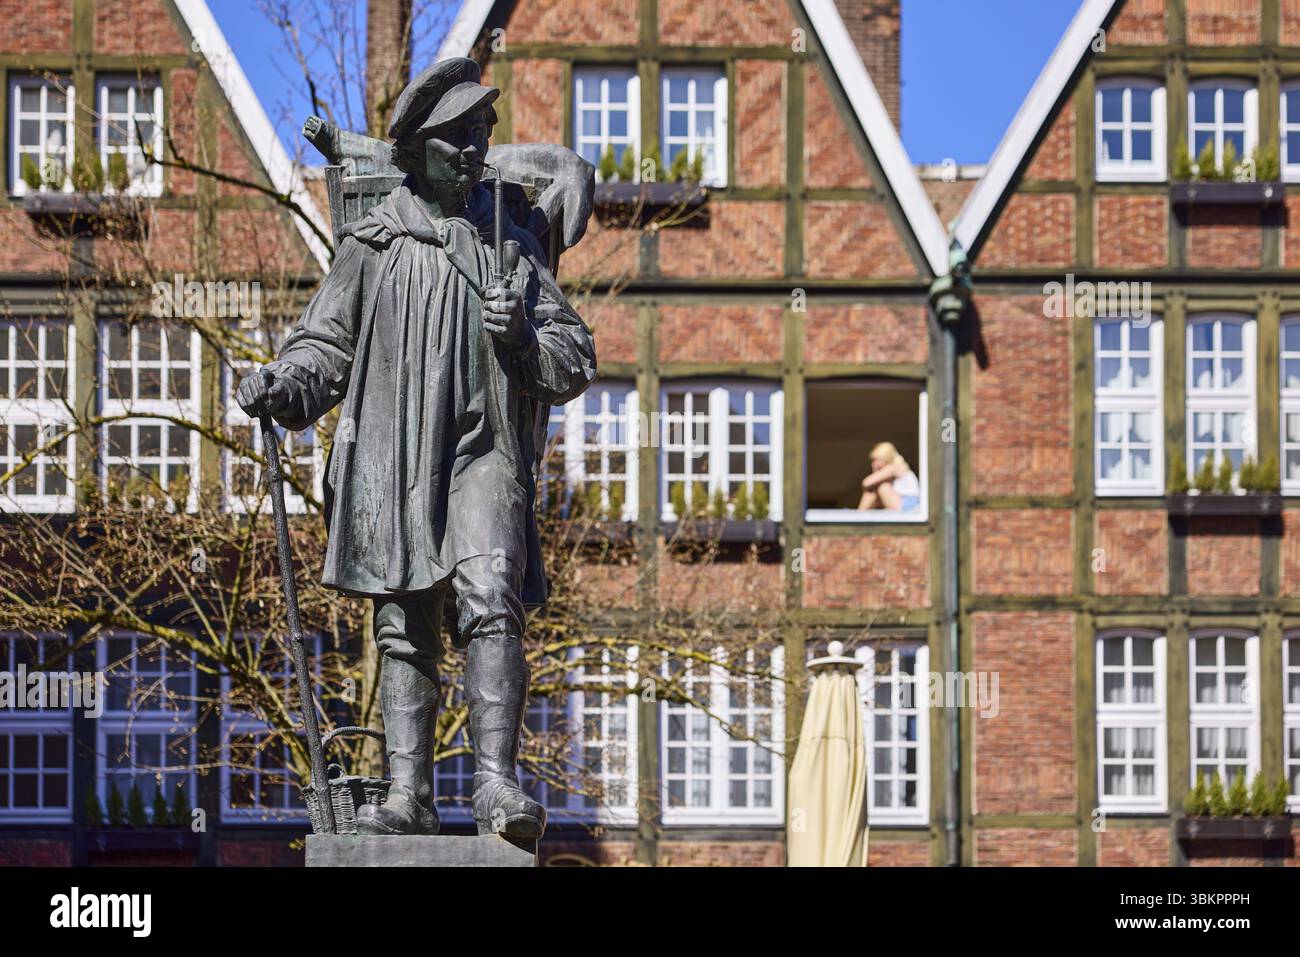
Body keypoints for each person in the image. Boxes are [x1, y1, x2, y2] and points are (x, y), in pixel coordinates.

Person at [236, 57, 596, 840]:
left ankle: (497, 784)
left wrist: (526, 335)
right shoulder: (373, 242)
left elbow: (575, 357)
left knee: (491, 587)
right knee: (404, 623)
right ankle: (409, 792)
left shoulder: (510, 239)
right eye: (458, 138)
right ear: (417, 150)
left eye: (481, 135)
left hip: (483, 452)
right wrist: (281, 387)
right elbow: (322, 348)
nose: (475, 151)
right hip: (395, 461)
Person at [858, 442, 920, 511]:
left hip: (909, 504)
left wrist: (876, 472)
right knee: (875, 489)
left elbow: (866, 483)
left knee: (880, 486)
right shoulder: (898, 467)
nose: (874, 464)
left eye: (877, 460)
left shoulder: (894, 467)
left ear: (886, 458)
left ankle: (859, 515)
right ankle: (860, 515)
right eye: (873, 461)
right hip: (904, 502)